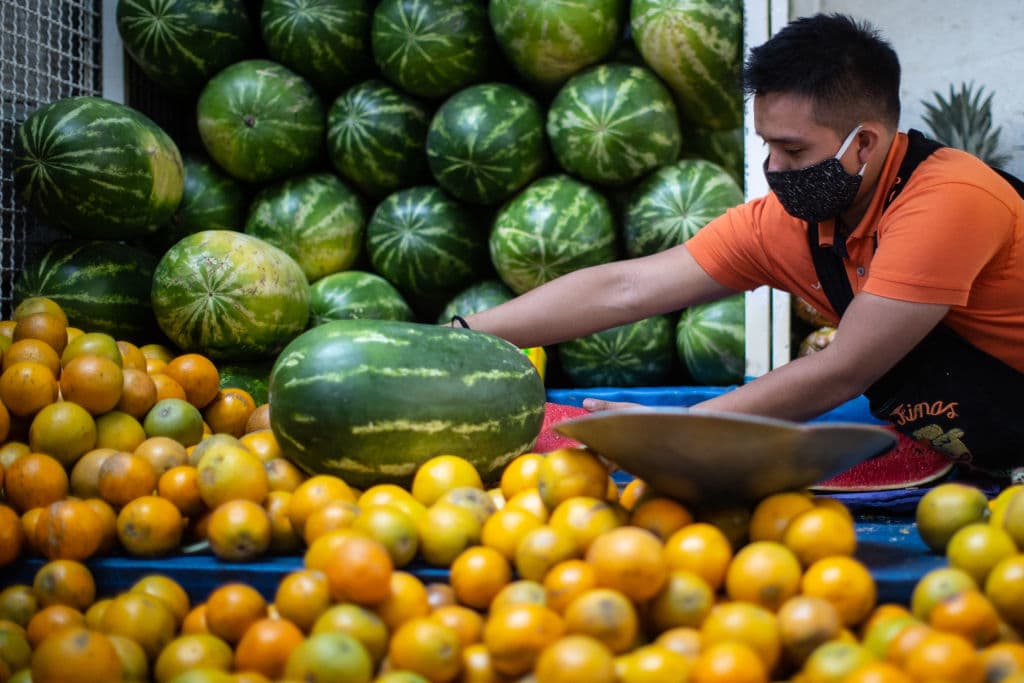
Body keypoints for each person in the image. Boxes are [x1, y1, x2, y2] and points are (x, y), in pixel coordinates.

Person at [462, 13, 1024, 475]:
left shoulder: (951, 199)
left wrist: (674, 432)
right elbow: (627, 287)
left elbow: (843, 369)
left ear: (864, 144)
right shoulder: (788, 223)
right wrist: (460, 338)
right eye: (766, 144)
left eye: (793, 150)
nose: (773, 168)